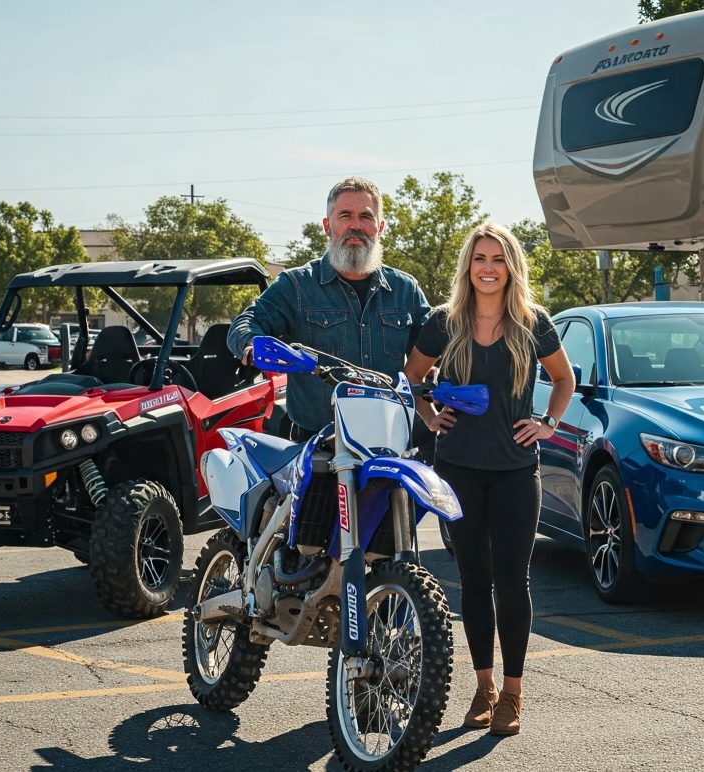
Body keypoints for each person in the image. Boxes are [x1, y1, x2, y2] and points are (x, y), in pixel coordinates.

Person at [404, 223, 575, 737]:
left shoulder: (531, 322)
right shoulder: (444, 322)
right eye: (479, 257)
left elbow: (564, 379)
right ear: (468, 266)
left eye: (497, 258)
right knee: (474, 582)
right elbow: (412, 376)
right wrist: (430, 416)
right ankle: (483, 688)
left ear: (510, 266)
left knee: (512, 582)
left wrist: (548, 423)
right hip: (458, 469)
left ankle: (514, 693)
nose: (487, 267)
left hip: (517, 472)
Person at [228, 177, 431, 441]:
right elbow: (245, 323)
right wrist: (252, 345)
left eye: (366, 217)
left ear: (380, 226)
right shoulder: (296, 285)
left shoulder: (405, 289)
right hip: (317, 446)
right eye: (345, 215)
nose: (355, 226)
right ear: (327, 225)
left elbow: (435, 346)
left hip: (391, 441)